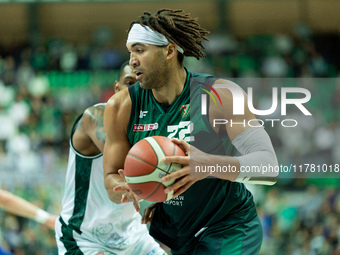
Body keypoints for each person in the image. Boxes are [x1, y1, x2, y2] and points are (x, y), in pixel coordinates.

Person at [103, 9, 279, 255]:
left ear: (169, 51)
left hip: (226, 225)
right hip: (169, 230)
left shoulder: (222, 95)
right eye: (130, 51)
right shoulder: (120, 107)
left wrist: (207, 165)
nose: (132, 60)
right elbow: (111, 178)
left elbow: (269, 166)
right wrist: (128, 185)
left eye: (140, 50)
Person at [55, 61, 166, 255]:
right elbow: (129, 168)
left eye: (143, 85)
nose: (135, 92)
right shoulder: (95, 117)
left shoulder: (154, 121)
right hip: (85, 238)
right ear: (117, 89)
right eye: (129, 83)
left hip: (133, 236)